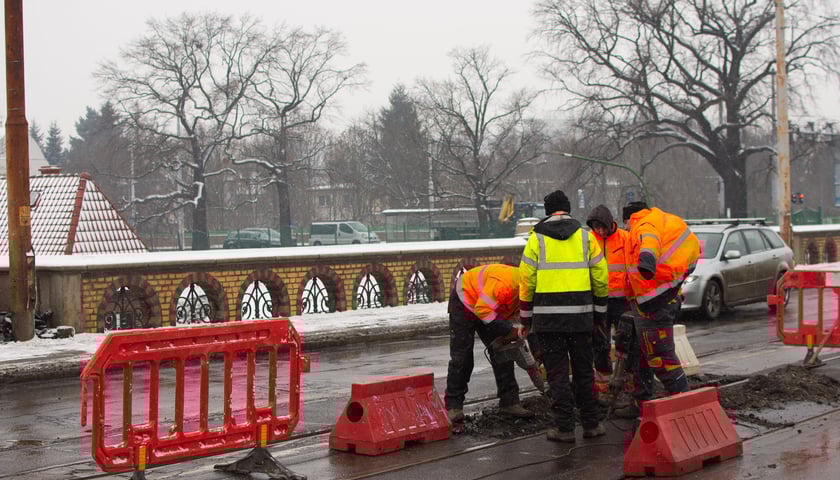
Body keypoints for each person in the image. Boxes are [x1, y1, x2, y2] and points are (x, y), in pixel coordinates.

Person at [519, 190, 609, 443]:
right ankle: (591, 424)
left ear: (547, 211)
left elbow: (527, 281)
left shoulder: (536, 239)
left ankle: (565, 428)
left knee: (558, 374)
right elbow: (601, 278)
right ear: (568, 209)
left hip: (549, 322)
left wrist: (525, 319)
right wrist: (599, 314)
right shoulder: (586, 237)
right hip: (581, 318)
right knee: (584, 371)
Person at [616, 201, 700, 417]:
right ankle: (642, 402)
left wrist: (647, 259)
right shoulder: (664, 220)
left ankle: (685, 405)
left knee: (660, 357)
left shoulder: (642, 224)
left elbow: (648, 242)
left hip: (653, 301)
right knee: (643, 353)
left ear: (628, 218)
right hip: (660, 296)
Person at [445, 264, 535, 426]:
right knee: (463, 357)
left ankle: (509, 402)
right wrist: (509, 330)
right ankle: (454, 407)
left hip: (487, 306)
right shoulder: (505, 285)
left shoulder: (527, 291)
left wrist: (516, 334)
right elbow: (482, 309)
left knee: (503, 351)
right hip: (465, 300)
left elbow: (523, 317)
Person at [585, 204, 630, 403]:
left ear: (611, 223)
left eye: (602, 227)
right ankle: (603, 386)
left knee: (624, 342)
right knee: (600, 344)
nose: (600, 231)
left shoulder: (625, 239)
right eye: (596, 227)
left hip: (622, 300)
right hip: (599, 301)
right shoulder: (588, 240)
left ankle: (625, 382)